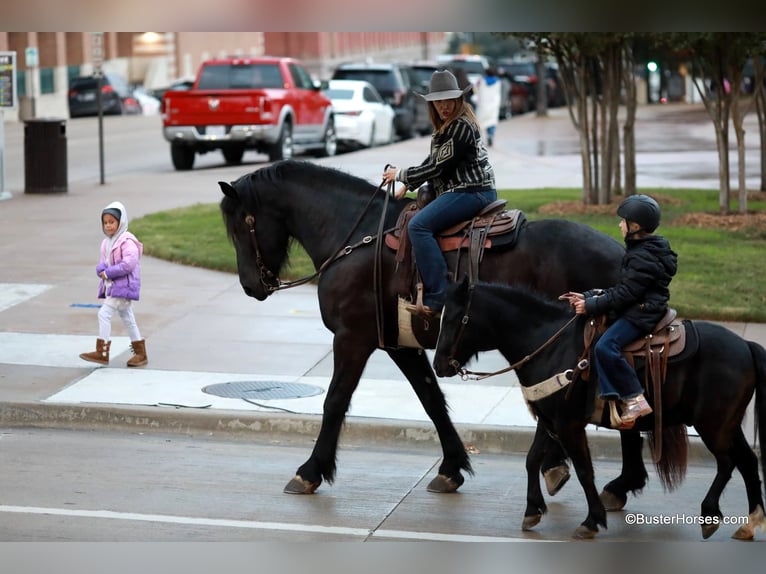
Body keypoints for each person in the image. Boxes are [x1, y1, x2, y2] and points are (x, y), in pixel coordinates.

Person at [382, 70, 497, 318]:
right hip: (464, 190)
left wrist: (400, 174)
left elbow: (438, 167)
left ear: (458, 100)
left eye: (448, 101)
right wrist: (410, 184)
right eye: (439, 101)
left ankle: (438, 295)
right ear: (432, 103)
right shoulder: (448, 128)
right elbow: (434, 160)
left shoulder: (461, 127)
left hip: (473, 191)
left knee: (418, 226)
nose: (444, 106)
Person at [560, 195, 677, 428]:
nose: (619, 225)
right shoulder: (644, 250)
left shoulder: (642, 256)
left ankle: (634, 397)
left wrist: (591, 306)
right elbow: (624, 289)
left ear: (635, 227)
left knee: (606, 346)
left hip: (642, 312)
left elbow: (626, 294)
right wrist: (590, 296)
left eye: (623, 221)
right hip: (639, 305)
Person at [79, 201, 148, 367]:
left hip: (124, 286)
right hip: (113, 286)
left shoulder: (127, 241)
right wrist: (101, 270)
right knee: (127, 317)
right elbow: (103, 262)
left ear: (120, 222)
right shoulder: (106, 242)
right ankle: (140, 353)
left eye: (112, 222)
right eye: (105, 222)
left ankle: (102, 352)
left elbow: (129, 264)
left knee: (104, 314)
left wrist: (108, 272)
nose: (108, 226)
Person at [476, 65, 501, 147]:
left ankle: (480, 139)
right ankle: (490, 136)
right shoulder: (498, 82)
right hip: (493, 105)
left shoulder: (481, 81)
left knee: (482, 122)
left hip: (483, 105)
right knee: (492, 122)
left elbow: (477, 91)